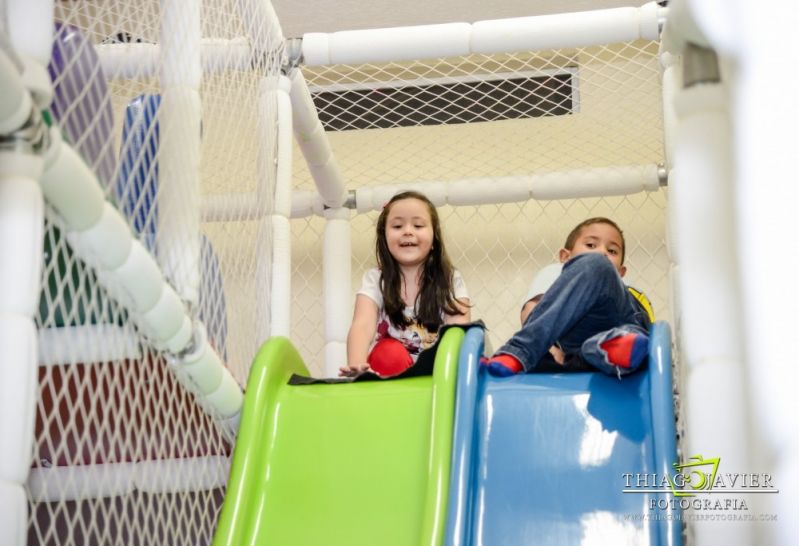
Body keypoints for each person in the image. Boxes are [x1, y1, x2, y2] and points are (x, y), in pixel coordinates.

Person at [483, 217, 653, 378]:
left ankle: (615, 346)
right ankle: (614, 348)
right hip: (578, 351)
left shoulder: (625, 286)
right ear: (565, 257)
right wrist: (549, 349)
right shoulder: (554, 273)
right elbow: (534, 310)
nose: (602, 252)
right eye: (591, 245)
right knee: (592, 347)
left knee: (633, 334)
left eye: (612, 251)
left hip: (623, 324)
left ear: (622, 272)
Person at [340, 191, 471, 377]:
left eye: (418, 225)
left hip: (435, 376)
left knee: (454, 347)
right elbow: (362, 325)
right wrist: (357, 366)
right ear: (384, 237)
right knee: (388, 353)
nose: (408, 231)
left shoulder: (449, 280)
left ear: (434, 237)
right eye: (397, 226)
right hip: (390, 375)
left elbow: (457, 331)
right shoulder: (376, 279)